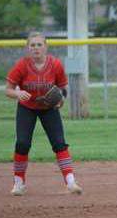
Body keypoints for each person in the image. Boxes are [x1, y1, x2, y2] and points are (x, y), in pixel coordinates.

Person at [5, 31, 82, 196]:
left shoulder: (55, 64)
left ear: (46, 47)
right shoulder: (21, 65)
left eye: (39, 44)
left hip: (49, 109)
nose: (36, 48)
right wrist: (18, 93)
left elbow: (63, 89)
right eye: (32, 45)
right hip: (27, 107)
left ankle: (71, 182)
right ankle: (19, 183)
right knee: (22, 144)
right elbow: (8, 90)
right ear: (28, 48)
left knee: (59, 143)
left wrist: (61, 100)